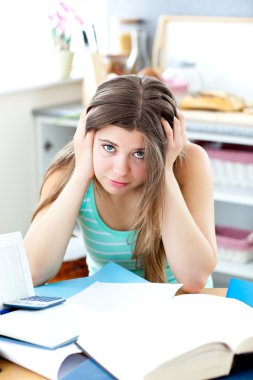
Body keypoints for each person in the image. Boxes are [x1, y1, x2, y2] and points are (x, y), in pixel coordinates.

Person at [24, 74, 217, 292]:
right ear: (86, 135)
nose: (120, 170)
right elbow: (32, 271)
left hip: (180, 307)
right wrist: (81, 174)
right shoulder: (67, 171)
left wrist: (164, 171)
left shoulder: (188, 163)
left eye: (139, 154)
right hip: (105, 309)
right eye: (108, 147)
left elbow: (194, 279)